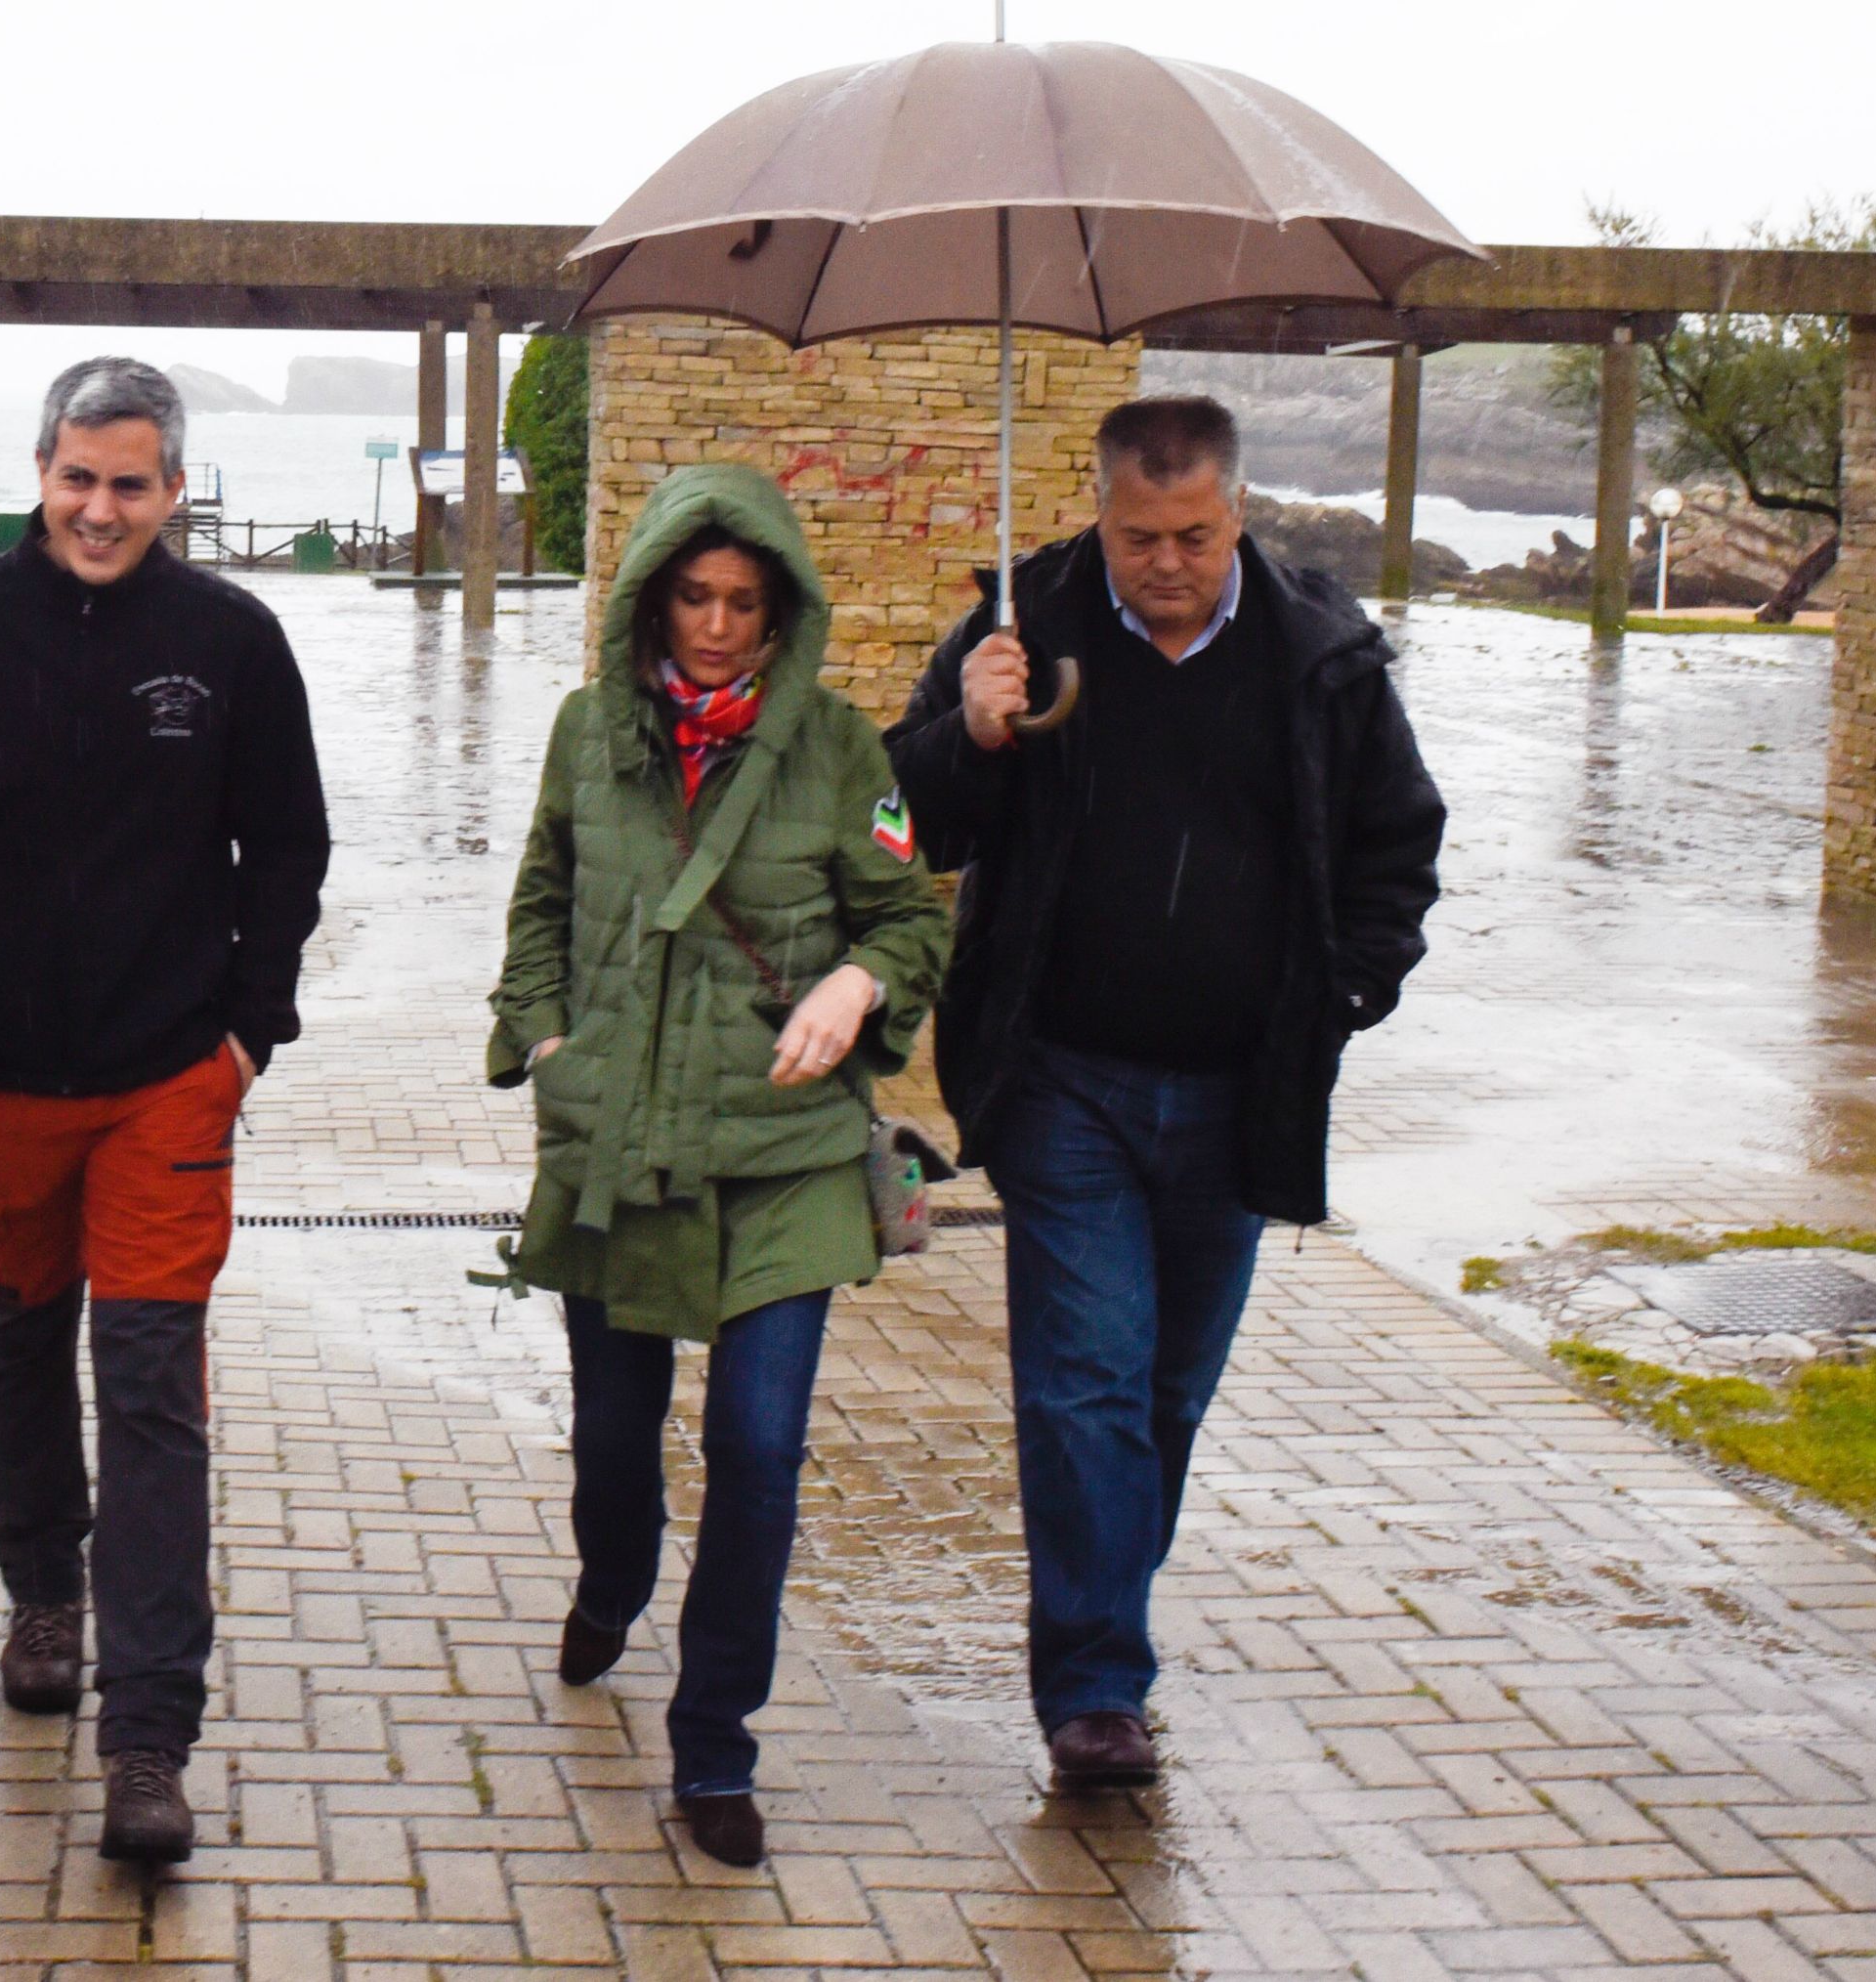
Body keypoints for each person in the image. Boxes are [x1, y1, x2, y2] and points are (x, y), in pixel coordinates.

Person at [883, 397, 1443, 1789]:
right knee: (1084, 1384)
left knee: (1165, 1393)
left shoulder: (1318, 656)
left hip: (1239, 1092)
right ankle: (1093, 1688)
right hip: (1060, 1081)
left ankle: (1103, 1618)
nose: (1165, 564)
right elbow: (897, 825)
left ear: (1236, 513)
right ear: (1100, 513)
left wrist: (1346, 991)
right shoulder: (1021, 627)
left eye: (1192, 536)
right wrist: (968, 735)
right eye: (1138, 538)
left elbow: (1397, 837)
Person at [0, 357, 331, 1866]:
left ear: (173, 489)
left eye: (128, 485)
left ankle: (147, 1736)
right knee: (25, 1329)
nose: (99, 509)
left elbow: (287, 848)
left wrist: (246, 1033)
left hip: (164, 1077)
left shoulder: (231, 641)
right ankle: (43, 1595)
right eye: (76, 479)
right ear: (39, 474)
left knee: (148, 1381)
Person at [487, 463, 949, 1869]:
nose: (715, 626)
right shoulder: (587, 733)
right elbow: (540, 902)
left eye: (745, 603)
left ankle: (714, 1745)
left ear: (780, 611)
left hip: (786, 1153)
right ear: (648, 599)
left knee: (755, 1447)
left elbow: (910, 922)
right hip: (619, 1140)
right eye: (691, 596)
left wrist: (857, 987)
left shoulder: (841, 751)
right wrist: (544, 1040)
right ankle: (610, 1579)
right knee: (614, 1438)